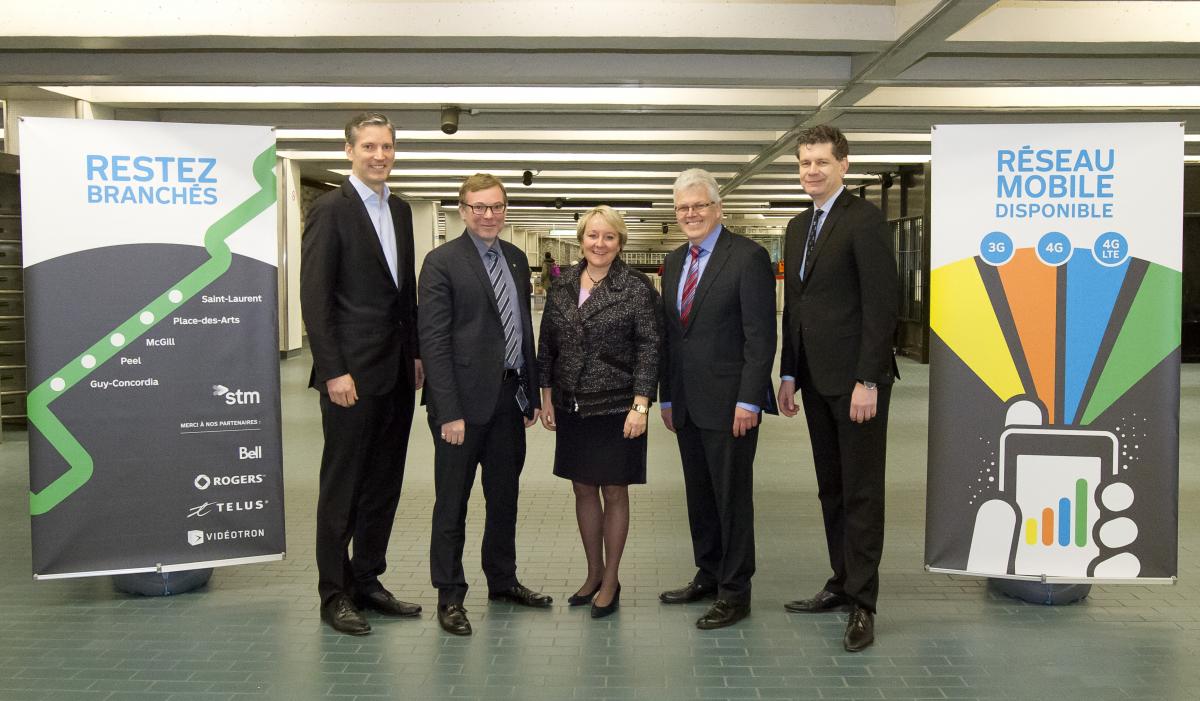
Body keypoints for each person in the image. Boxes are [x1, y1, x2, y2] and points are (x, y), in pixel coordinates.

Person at [776, 124, 899, 653]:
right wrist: (788, 373)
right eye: (805, 163)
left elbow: (881, 304)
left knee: (862, 491)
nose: (812, 171)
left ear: (843, 165)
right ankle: (841, 581)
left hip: (856, 384)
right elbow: (796, 307)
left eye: (821, 162)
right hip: (814, 379)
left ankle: (863, 603)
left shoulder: (864, 220)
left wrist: (868, 379)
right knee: (832, 488)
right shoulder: (798, 226)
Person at [300, 112, 423, 636]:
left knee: (383, 484)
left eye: (387, 146)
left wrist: (415, 353)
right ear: (349, 151)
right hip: (350, 376)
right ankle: (334, 593)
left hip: (395, 372)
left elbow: (403, 292)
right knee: (343, 486)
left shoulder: (400, 209)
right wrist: (334, 370)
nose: (380, 155)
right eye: (369, 146)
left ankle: (368, 579)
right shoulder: (331, 209)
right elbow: (315, 295)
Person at [418, 172, 551, 636]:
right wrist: (449, 410)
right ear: (463, 211)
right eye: (478, 207)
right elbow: (434, 340)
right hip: (461, 405)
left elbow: (522, 328)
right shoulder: (441, 262)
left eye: (496, 206)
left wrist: (529, 393)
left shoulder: (515, 258)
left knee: (504, 497)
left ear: (505, 209)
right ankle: (450, 594)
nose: (488, 215)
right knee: (452, 503)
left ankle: (503, 580)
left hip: (509, 400)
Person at [657, 168, 777, 630]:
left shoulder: (748, 257)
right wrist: (667, 397)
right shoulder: (673, 263)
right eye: (683, 208)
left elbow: (760, 337)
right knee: (700, 495)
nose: (691, 214)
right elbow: (671, 337)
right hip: (687, 403)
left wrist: (750, 400)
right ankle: (708, 574)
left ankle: (735, 591)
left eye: (699, 206)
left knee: (731, 499)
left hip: (730, 405)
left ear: (718, 208)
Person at [536, 205, 661, 619]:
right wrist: (546, 394)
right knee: (583, 488)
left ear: (620, 242)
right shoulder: (563, 284)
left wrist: (641, 404)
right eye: (592, 235)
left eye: (609, 236)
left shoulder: (636, 286)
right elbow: (547, 344)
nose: (600, 243)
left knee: (615, 490)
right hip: (572, 403)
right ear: (581, 240)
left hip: (618, 405)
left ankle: (611, 581)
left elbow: (649, 347)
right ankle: (593, 573)